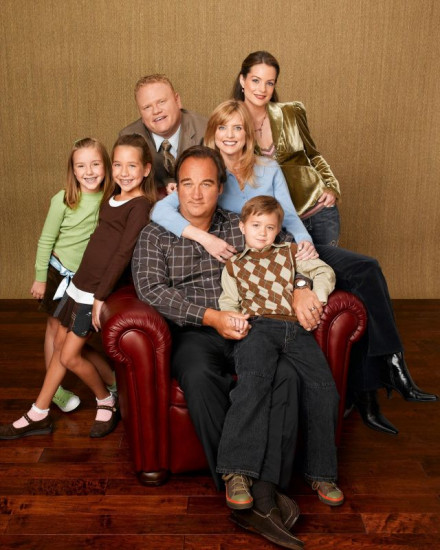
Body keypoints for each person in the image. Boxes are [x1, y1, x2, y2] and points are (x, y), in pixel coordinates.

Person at [151, 100, 438, 435]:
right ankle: (368, 393)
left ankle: (392, 362)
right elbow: (160, 211)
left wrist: (304, 252)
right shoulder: (207, 174)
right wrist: (207, 239)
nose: (230, 135)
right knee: (347, 286)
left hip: (288, 245)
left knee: (365, 269)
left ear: (248, 134)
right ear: (212, 133)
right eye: (223, 128)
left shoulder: (268, 167)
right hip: (255, 261)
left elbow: (288, 216)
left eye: (238, 128)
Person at [133, 145, 306, 549]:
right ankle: (238, 482)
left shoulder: (242, 223)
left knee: (284, 373)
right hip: (195, 330)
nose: (196, 194)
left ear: (221, 187)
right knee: (197, 375)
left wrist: (301, 287)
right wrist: (210, 317)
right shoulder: (155, 234)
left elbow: (290, 255)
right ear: (175, 188)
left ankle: (263, 490)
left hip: (252, 326)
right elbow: (151, 290)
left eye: (206, 184)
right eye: (187, 184)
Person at [0, 134, 156, 440]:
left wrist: (100, 297)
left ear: (147, 169)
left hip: (93, 291)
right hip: (77, 284)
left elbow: (122, 254)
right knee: (62, 348)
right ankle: (39, 412)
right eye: (119, 165)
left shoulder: (140, 206)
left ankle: (105, 399)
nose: (124, 172)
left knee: (69, 356)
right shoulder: (112, 195)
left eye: (132, 166)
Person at [217, 195, 344, 513]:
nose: (262, 233)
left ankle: (322, 474)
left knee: (324, 389)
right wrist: (234, 321)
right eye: (256, 226)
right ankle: (237, 472)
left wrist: (314, 297)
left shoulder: (290, 253)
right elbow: (228, 304)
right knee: (253, 385)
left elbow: (324, 272)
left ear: (278, 230)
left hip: (295, 328)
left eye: (270, 227)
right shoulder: (234, 266)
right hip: (257, 329)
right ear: (242, 227)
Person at [30, 137, 116, 414]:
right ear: (73, 170)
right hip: (57, 274)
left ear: (106, 166)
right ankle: (54, 391)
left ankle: (110, 382)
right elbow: (46, 240)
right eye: (81, 166)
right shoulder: (64, 199)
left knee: (69, 339)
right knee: (54, 331)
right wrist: (40, 277)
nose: (89, 171)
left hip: (83, 281)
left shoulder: (111, 199)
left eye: (95, 164)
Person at [232, 50, 341, 247]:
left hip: (317, 210)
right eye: (255, 80)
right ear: (242, 80)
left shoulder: (291, 112)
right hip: (274, 222)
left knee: (328, 265)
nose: (262, 89)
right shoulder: (232, 124)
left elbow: (314, 155)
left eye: (269, 83)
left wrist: (332, 186)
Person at [119, 74, 207, 193]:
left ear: (177, 100)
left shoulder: (206, 130)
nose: (156, 111)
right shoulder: (128, 139)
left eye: (161, 102)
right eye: (147, 107)